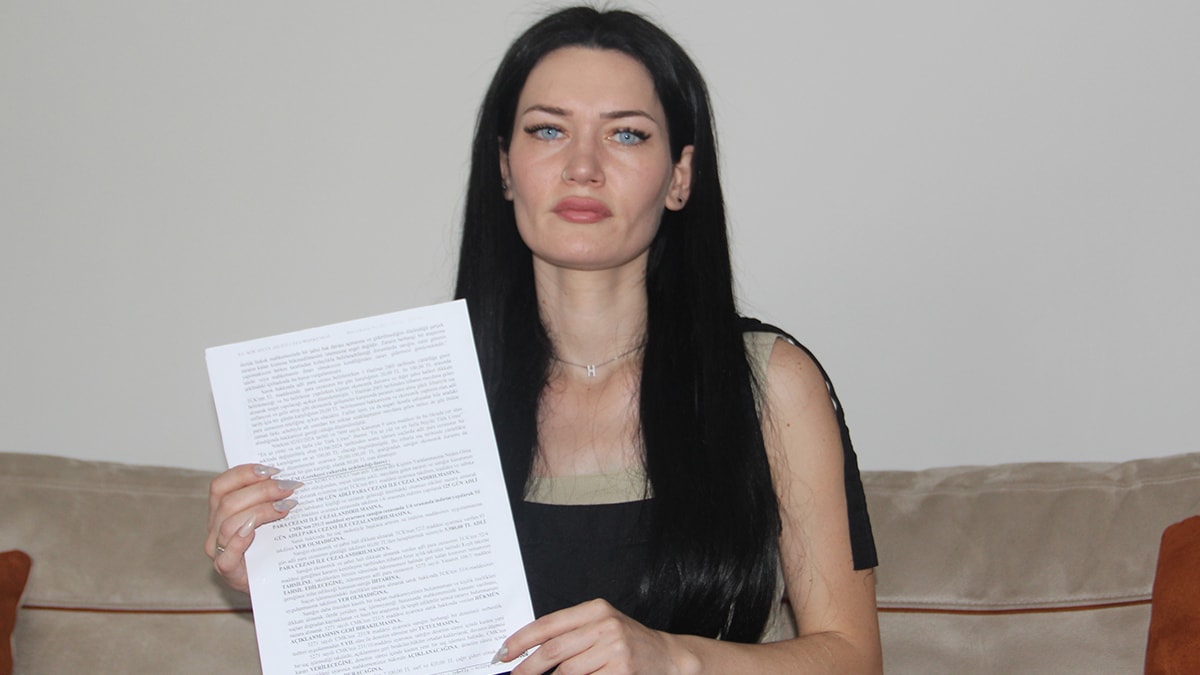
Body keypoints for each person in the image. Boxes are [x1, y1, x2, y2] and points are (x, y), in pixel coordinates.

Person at [206, 6, 881, 673]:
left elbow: (854, 657)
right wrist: (288, 577)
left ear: (680, 176)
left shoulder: (770, 381)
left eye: (627, 135)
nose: (583, 166)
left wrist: (676, 659)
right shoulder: (414, 390)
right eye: (549, 130)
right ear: (505, 166)